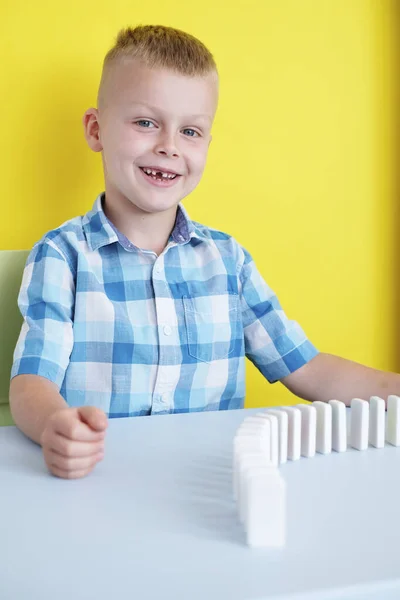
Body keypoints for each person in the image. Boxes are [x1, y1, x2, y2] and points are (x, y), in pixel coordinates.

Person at [9, 25, 400, 479]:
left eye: (190, 131)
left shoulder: (228, 261)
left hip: (207, 484)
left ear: (207, 145)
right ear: (96, 130)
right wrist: (55, 425)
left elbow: (307, 367)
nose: (169, 146)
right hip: (101, 482)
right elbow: (31, 382)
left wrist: (393, 388)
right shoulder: (61, 256)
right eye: (145, 123)